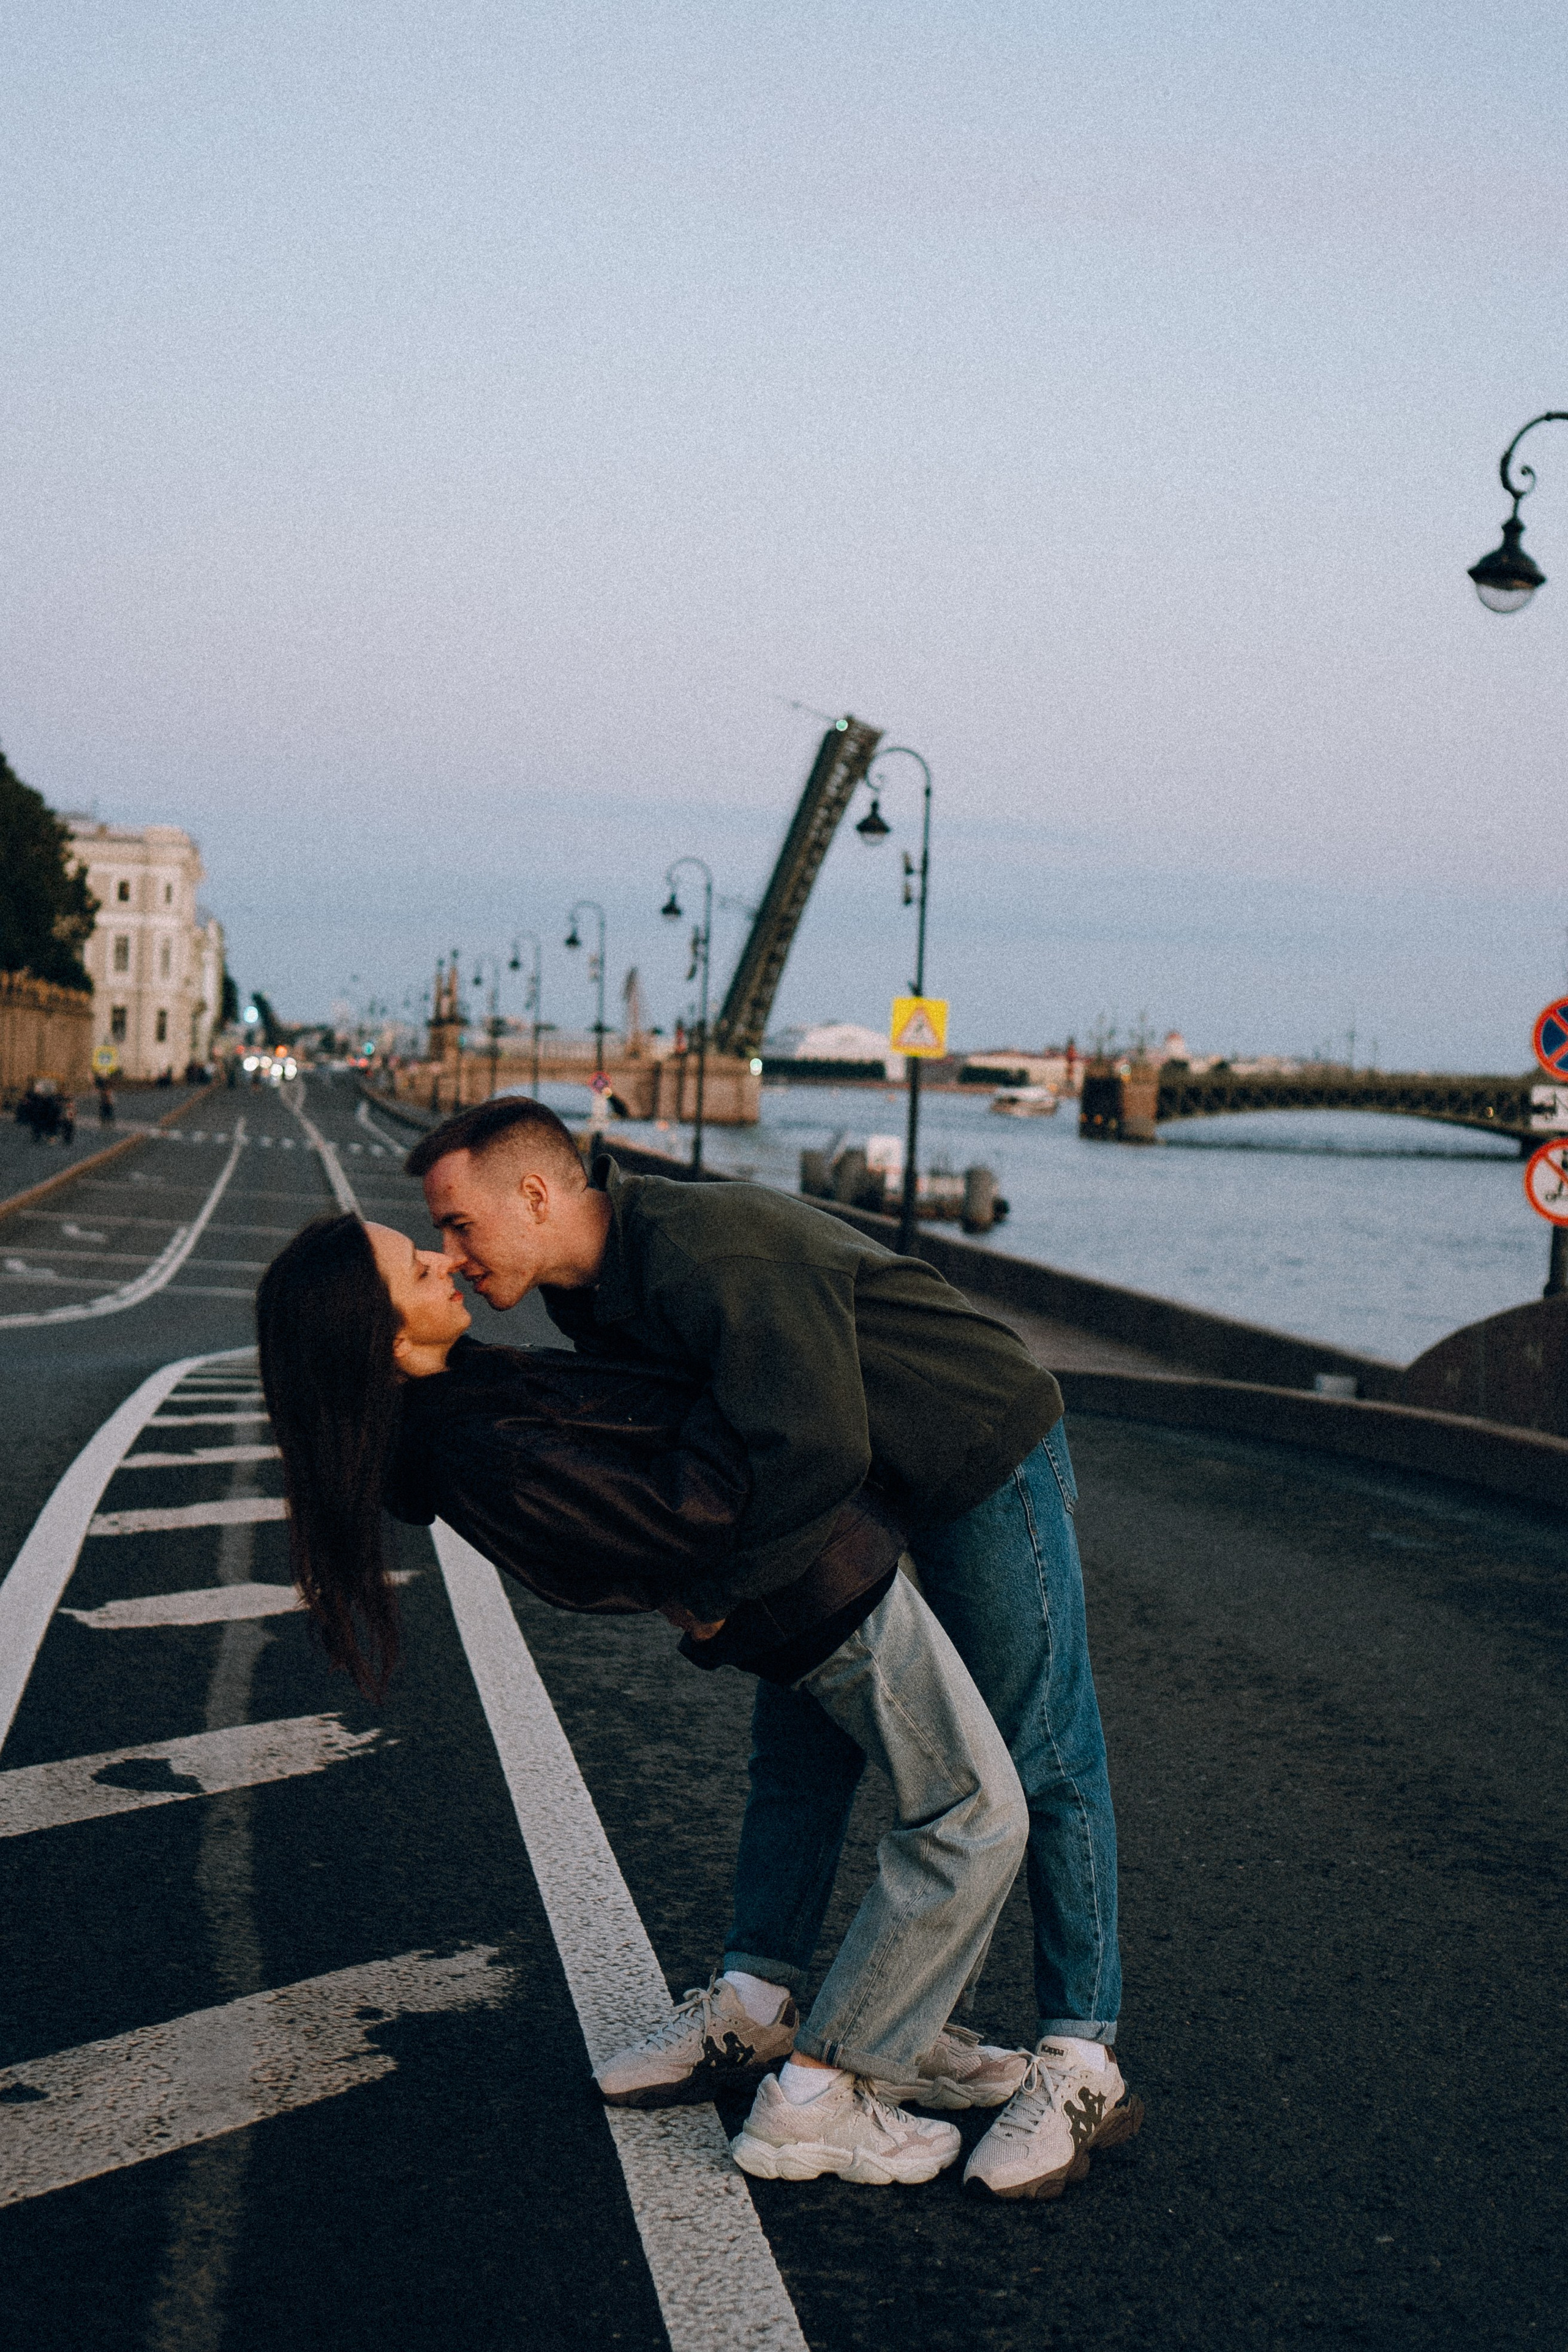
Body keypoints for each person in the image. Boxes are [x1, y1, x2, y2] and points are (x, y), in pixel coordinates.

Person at [409, 1095, 1142, 2201]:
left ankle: (1081, 2053)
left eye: (461, 1226)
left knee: (1040, 1750)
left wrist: (713, 1599)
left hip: (972, 1450)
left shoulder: (710, 1253)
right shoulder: (595, 1296)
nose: (454, 1257)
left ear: (535, 1194)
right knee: (795, 1759)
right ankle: (760, 2003)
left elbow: (811, 1451)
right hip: (853, 1499)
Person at [255, 1212, 1030, 2188]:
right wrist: (755, 1371)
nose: (444, 1257)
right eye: (414, 1266)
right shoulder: (475, 1443)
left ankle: (899, 2033)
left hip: (811, 1579)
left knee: (888, 1797)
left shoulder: (464, 1401)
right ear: (386, 1337)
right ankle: (822, 2093)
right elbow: (681, 1513)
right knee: (975, 1816)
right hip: (815, 1588)